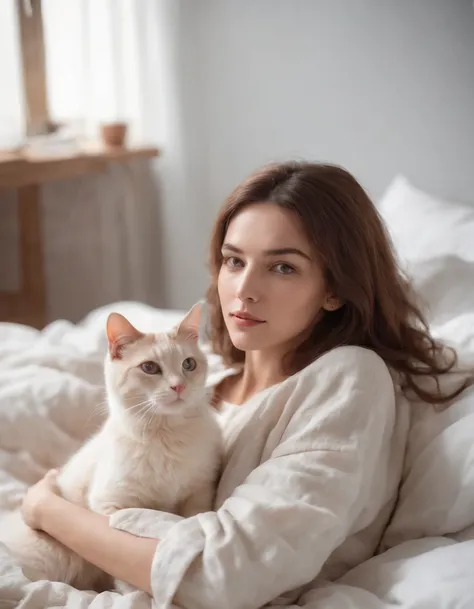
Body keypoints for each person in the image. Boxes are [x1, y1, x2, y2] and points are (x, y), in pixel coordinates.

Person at [21, 162, 468, 608]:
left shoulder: (348, 377)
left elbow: (226, 575)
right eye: (234, 260)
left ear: (334, 289)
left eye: (283, 268)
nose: (244, 289)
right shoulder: (208, 383)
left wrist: (50, 512)